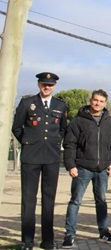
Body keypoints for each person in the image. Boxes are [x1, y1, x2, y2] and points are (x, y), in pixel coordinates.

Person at [12, 72, 67, 250]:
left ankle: (48, 240)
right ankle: (27, 241)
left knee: (48, 200)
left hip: (51, 158)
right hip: (30, 157)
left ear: (54, 86)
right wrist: (29, 143)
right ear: (38, 84)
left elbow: (62, 129)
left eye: (50, 85)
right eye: (44, 84)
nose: (47, 87)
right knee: (28, 200)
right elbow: (17, 127)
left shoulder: (60, 105)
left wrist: (53, 143)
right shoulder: (27, 103)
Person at [62, 89, 111, 248]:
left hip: (102, 169)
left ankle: (104, 232)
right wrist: (71, 165)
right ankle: (69, 235)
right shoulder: (78, 121)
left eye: (101, 101)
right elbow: (69, 144)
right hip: (82, 168)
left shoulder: (110, 121)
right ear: (90, 100)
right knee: (75, 201)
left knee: (101, 201)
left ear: (105, 104)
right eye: (95, 100)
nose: (98, 104)